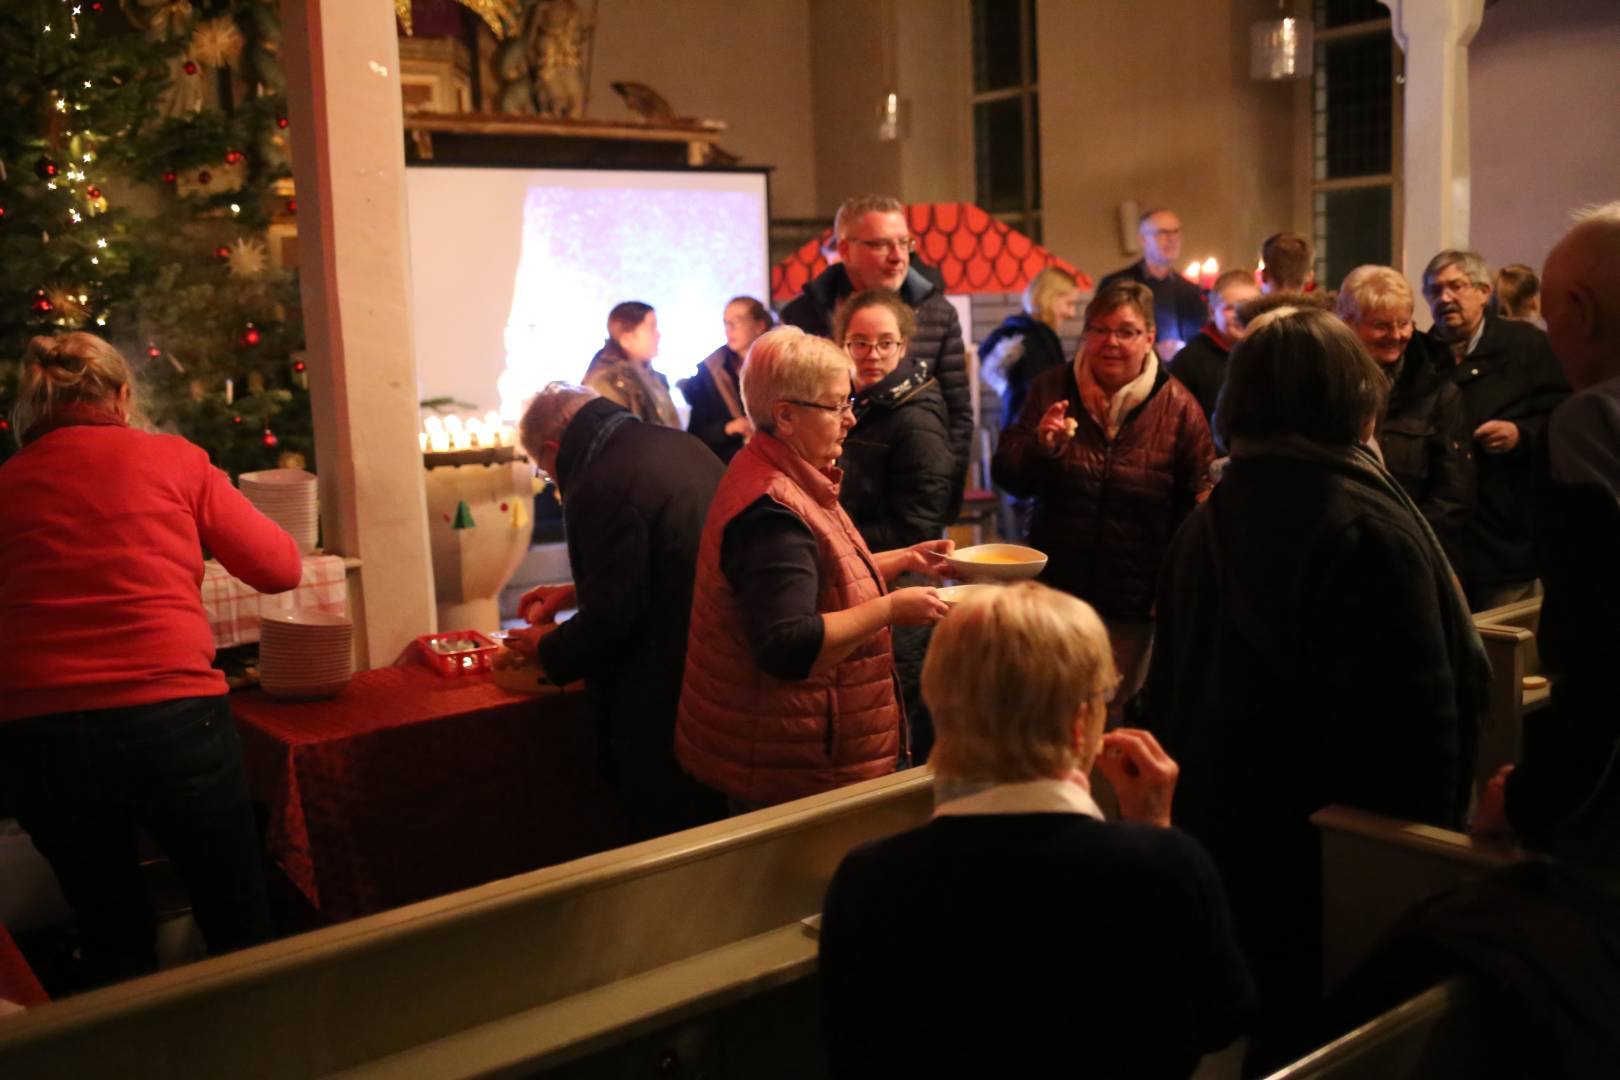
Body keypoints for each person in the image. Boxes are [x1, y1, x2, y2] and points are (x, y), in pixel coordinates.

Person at [1145, 306, 1490, 1067]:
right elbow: (1421, 729)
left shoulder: (1205, 523)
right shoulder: (1369, 526)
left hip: (1227, 840)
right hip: (1339, 861)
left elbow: (1168, 694)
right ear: (1351, 398)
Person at [819, 582, 1252, 1079]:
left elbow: (851, 1060)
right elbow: (1221, 1021)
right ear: (1080, 721)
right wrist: (1155, 834)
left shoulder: (868, 881)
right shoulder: (1163, 867)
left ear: (939, 707)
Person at [0, 333, 301, 988]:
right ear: (123, 397)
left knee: (108, 928)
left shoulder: (6, 483)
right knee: (236, 913)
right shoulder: (173, 460)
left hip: (36, 732)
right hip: (170, 716)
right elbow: (280, 567)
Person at [674, 327, 952, 811]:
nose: (850, 419)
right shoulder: (771, 513)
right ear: (785, 415)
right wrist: (889, 609)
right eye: (838, 405)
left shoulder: (785, 472)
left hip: (795, 751)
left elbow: (828, 580)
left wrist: (907, 559)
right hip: (794, 766)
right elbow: (789, 647)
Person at [506, 383, 726, 840]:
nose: (555, 483)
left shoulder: (598, 479)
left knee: (665, 837)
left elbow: (612, 620)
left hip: (661, 696)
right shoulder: (678, 444)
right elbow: (663, 559)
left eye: (546, 474)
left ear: (552, 448)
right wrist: (573, 591)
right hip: (717, 671)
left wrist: (545, 646)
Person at [992, 281, 1213, 718]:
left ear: (1149, 336)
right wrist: (1043, 447)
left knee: (1109, 716)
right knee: (1048, 708)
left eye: (1125, 331)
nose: (1110, 342)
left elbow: (1198, 510)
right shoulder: (1051, 389)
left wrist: (1173, 590)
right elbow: (1008, 476)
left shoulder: (1179, 406)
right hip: (1057, 591)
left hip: (1132, 603)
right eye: (1098, 329)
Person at [1475, 202, 1620, 865]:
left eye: (1551, 314)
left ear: (1583, 311)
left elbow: (1600, 642)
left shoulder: (1592, 421)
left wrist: (1533, 795)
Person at [778, 195, 971, 515]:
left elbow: (958, 414)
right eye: (881, 245)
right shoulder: (804, 316)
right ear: (844, 251)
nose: (898, 257)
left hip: (910, 502)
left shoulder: (938, 313)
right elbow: (785, 415)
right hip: (819, 500)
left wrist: (945, 499)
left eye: (904, 243)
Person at [834, 290, 954, 759]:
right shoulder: (864, 404)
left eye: (885, 343)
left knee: (901, 722)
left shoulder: (914, 418)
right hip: (875, 583)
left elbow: (918, 530)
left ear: (903, 347)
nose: (872, 355)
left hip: (902, 591)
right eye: (859, 343)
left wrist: (836, 542)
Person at [1418, 249, 1568, 610]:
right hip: (1444, 542)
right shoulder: (1419, 356)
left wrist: (1521, 433)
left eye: (1456, 286)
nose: (1445, 298)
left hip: (1508, 537)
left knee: (1505, 651)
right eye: (1434, 290)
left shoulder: (1526, 346)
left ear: (1485, 291)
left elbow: (1563, 415)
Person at [1336, 265, 1474, 557]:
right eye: (1382, 326)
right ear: (1347, 321)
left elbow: (1451, 492)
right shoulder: (1327, 381)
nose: (1397, 335)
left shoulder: (1435, 388)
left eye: (1405, 323)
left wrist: (1414, 548)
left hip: (1412, 550)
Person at [1096, 208, 1209, 362]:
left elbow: (1201, 336)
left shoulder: (1191, 290)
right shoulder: (1116, 284)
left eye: (1176, 232)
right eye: (1163, 233)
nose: (1172, 239)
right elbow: (1102, 335)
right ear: (1143, 239)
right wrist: (1152, 349)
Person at [978, 265, 1081, 430]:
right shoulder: (1034, 338)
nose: (1072, 313)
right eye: (1069, 303)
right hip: (1029, 433)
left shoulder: (1023, 333)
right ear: (1049, 298)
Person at [683, 296, 770, 463]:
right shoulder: (711, 372)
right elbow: (696, 433)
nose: (728, 329)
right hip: (731, 465)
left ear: (759, 326)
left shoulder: (783, 365)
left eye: (736, 322)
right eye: (725, 323)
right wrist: (728, 428)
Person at [1169, 267, 1261, 421]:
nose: (1241, 314)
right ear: (1212, 312)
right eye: (1230, 308)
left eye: (1250, 306)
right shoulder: (1189, 361)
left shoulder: (1267, 352)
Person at [582, 301, 681, 428]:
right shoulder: (607, 383)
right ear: (626, 339)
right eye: (651, 328)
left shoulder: (652, 376)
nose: (658, 335)